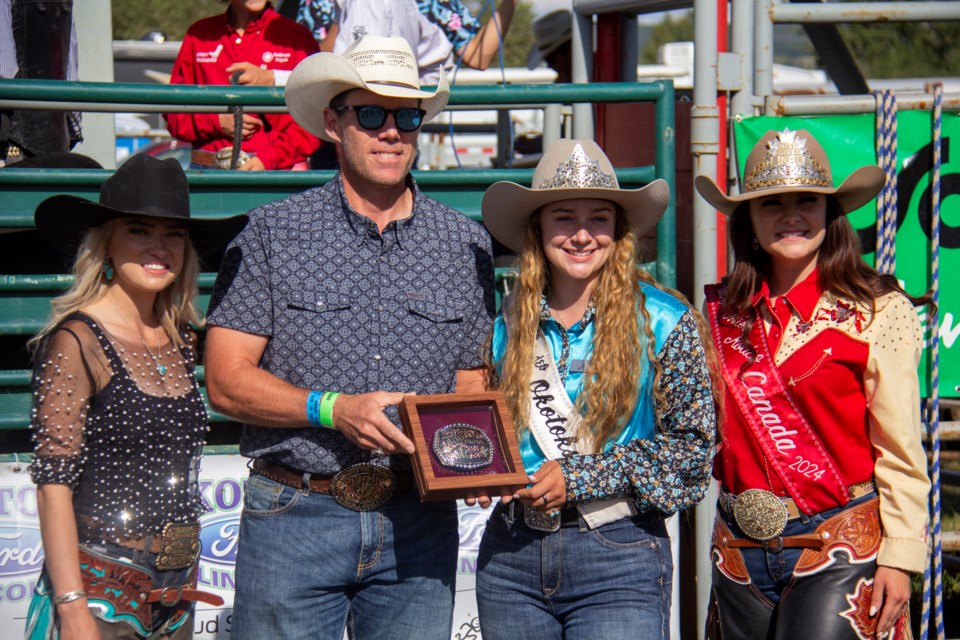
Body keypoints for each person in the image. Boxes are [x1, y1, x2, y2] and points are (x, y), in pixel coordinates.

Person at [203, 35, 495, 640]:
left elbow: (470, 382)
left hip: (419, 519)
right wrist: (331, 409)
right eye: (371, 114)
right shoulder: (270, 235)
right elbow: (226, 381)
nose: (391, 131)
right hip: (294, 515)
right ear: (334, 124)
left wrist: (470, 463)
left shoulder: (465, 244)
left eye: (407, 116)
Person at [475, 139, 719, 639]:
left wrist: (579, 477)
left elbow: (692, 456)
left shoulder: (666, 322)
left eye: (599, 219)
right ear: (538, 228)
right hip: (509, 555)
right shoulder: (501, 322)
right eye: (563, 217)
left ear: (619, 232)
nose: (582, 235)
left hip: (619, 556)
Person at [695, 127, 932, 640]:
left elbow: (900, 449)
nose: (790, 214)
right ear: (749, 220)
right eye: (771, 203)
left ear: (831, 212)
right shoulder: (718, 315)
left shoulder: (879, 311)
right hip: (737, 546)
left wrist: (901, 557)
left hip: (841, 540)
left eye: (807, 200)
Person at [23, 154, 247, 639]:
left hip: (178, 590)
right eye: (139, 231)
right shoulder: (75, 339)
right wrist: (71, 605)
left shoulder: (182, 337)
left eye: (174, 234)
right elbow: (52, 482)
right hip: (99, 593)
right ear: (106, 243)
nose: (159, 247)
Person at [164, 0, 321, 170]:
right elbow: (175, 116)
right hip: (206, 172)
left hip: (273, 174)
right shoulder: (199, 35)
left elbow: (314, 119)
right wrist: (216, 121)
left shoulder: (297, 37)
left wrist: (267, 160)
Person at [296, 0, 518, 84]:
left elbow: (477, 56)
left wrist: (509, 3)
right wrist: (343, 14)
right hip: (334, 130)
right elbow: (313, 63)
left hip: (398, 127)